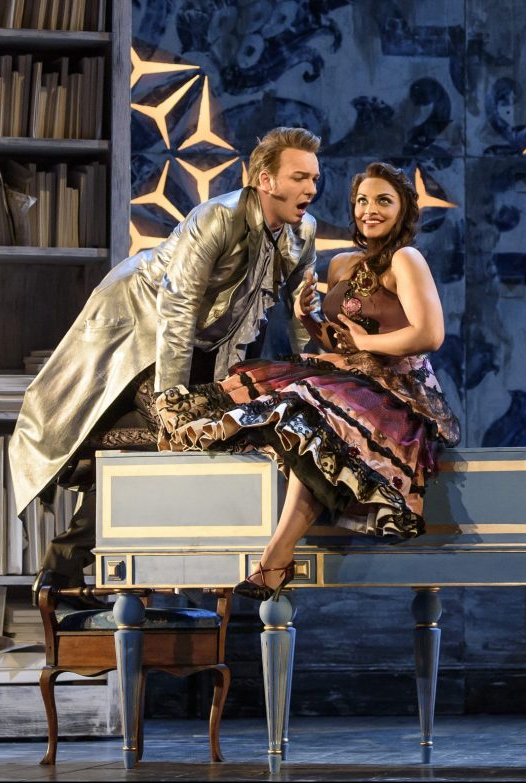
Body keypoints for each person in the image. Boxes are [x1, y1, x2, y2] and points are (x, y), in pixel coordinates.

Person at [10, 127, 323, 586]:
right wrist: (173, 399)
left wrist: (311, 369)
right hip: (141, 328)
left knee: (198, 438)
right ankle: (73, 543)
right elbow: (177, 306)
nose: (311, 189)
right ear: (265, 180)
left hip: (208, 345)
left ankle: (72, 550)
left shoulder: (302, 232)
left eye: (314, 178)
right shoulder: (217, 218)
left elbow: (300, 309)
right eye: (299, 177)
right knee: (180, 433)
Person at [153, 162, 460, 600]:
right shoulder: (343, 264)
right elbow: (339, 342)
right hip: (350, 380)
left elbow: (429, 334)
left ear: (404, 209)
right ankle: (212, 541)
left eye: (383, 201)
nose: (369, 210)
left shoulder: (405, 259)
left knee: (308, 409)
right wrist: (308, 318)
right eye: (362, 201)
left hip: (395, 393)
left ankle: (276, 556)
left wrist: (366, 344)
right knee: (283, 409)